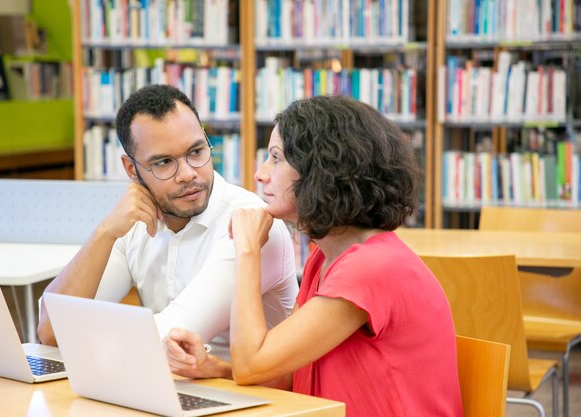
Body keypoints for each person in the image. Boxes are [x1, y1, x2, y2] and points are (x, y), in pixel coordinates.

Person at [166, 95, 463, 416]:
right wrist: (214, 367)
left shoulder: (372, 267)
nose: (260, 175)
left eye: (276, 158)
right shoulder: (325, 258)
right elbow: (289, 372)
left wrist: (248, 250)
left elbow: (252, 364)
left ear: (323, 170)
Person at [37, 85, 299, 371]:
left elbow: (170, 337)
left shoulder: (250, 223)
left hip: (259, 403)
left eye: (196, 151)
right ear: (131, 169)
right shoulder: (131, 222)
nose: (187, 174)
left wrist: (81, 334)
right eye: (163, 162)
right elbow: (51, 332)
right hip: (175, 392)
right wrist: (105, 232)